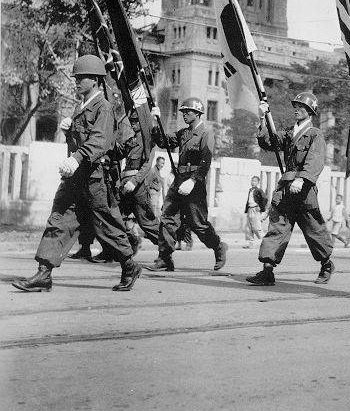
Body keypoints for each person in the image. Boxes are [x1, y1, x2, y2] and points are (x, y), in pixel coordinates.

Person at [12, 55, 142, 293]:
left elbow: (99, 141)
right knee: (59, 220)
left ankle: (129, 265)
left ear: (95, 80)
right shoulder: (81, 106)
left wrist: (76, 158)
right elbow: (81, 139)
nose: (77, 81)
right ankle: (44, 273)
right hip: (76, 178)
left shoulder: (103, 108)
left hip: (95, 178)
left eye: (82, 77)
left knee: (107, 225)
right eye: (77, 77)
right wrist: (68, 132)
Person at [246, 92, 335, 286]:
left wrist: (302, 179)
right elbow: (268, 142)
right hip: (286, 189)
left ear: (311, 111)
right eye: (295, 105)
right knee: (277, 227)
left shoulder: (315, 134)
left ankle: (326, 264)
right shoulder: (289, 133)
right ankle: (267, 271)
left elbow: (315, 159)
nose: (297, 109)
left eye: (301, 106)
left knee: (314, 230)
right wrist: (262, 117)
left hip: (303, 190)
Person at [145, 97, 227, 272]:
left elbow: (206, 161)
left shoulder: (206, 134)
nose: (183, 114)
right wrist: (155, 122)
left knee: (197, 223)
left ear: (197, 113)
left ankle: (219, 246)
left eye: (187, 112)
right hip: (179, 180)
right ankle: (164, 257)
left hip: (194, 183)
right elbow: (164, 142)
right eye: (182, 112)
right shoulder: (184, 133)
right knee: (167, 218)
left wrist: (193, 180)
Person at [112, 110, 160, 256]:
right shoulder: (132, 141)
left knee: (146, 222)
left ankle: (166, 249)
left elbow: (147, 164)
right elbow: (119, 153)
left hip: (138, 186)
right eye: (132, 122)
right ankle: (133, 240)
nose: (133, 124)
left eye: (137, 121)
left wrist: (134, 181)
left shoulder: (148, 140)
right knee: (117, 218)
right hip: (126, 185)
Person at [243, 176, 268, 249]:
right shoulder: (250, 190)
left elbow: (265, 198)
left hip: (256, 209)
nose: (253, 183)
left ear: (258, 182)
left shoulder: (259, 190)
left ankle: (265, 243)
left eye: (255, 181)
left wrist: (261, 207)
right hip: (250, 209)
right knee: (249, 227)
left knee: (256, 227)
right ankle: (251, 244)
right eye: (252, 181)